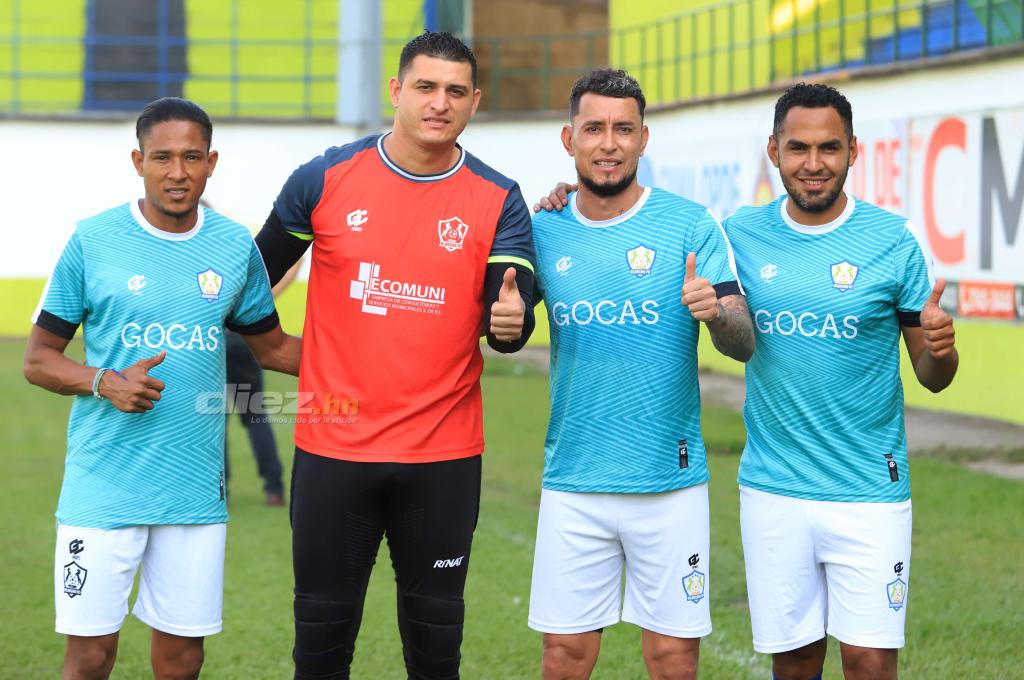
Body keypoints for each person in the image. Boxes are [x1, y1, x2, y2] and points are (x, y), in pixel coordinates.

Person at [253, 32, 536, 679]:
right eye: (425, 87)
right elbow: (250, 280)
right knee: (319, 654)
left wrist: (511, 324)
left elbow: (510, 317)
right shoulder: (323, 178)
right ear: (396, 91)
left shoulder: (499, 197)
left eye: (455, 91)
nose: (439, 103)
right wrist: (274, 347)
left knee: (437, 657)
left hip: (443, 460)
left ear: (475, 101)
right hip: (334, 452)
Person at [23, 97, 301, 680]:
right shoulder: (93, 239)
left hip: (193, 493)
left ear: (211, 163)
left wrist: (381, 362)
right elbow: (39, 360)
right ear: (138, 161)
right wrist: (105, 382)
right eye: (163, 157)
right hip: (104, 486)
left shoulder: (234, 246)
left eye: (192, 157)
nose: (178, 172)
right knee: (90, 656)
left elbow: (275, 349)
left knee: (181, 659)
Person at [724, 83, 957, 680]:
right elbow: (645, 225)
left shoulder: (894, 240)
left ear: (853, 150)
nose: (814, 163)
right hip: (774, 489)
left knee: (870, 660)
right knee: (795, 661)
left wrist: (940, 349)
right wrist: (564, 197)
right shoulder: (738, 235)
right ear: (773, 151)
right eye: (797, 148)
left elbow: (933, 378)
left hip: (870, 489)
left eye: (829, 147)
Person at [528, 69, 755, 680]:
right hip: (575, 478)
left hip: (670, 483)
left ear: (643, 138)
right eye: (594, 129)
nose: (609, 143)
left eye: (623, 129)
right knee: (564, 655)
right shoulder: (542, 227)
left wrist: (717, 314)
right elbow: (506, 328)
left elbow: (742, 341)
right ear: (569, 138)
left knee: (674, 657)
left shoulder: (690, 224)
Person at [223, 260, 301, 507]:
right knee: (255, 417)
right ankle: (274, 489)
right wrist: (297, 263)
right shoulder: (251, 276)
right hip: (246, 341)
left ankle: (220, 490)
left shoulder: (214, 273)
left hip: (218, 343)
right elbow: (276, 287)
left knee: (215, 419)